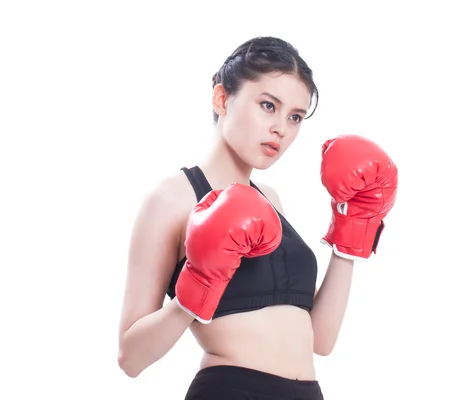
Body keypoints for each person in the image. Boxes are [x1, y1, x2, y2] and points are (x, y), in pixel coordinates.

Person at [117, 36, 398, 400]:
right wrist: (195, 288)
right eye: (268, 105)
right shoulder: (173, 198)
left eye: (295, 116)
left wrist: (352, 231)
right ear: (222, 99)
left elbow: (321, 340)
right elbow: (130, 358)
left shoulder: (271, 201)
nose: (281, 127)